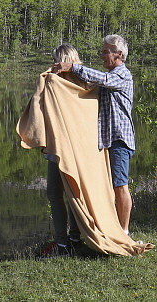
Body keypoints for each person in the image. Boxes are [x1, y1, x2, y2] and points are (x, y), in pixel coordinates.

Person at [52, 34, 135, 235]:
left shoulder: (121, 75)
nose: (102, 55)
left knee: (120, 185)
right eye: (103, 51)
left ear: (119, 54)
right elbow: (92, 88)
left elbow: (103, 79)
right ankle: (109, 228)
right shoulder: (110, 78)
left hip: (119, 140)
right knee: (108, 187)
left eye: (106, 52)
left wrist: (73, 67)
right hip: (106, 141)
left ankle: (124, 231)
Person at [43, 43, 85, 256]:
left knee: (57, 194)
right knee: (71, 193)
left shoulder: (56, 83)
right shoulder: (84, 84)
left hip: (62, 148)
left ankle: (63, 244)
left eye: (55, 59)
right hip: (76, 149)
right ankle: (73, 239)